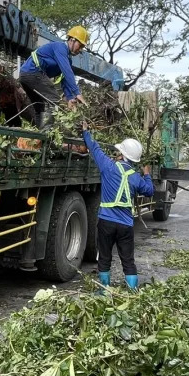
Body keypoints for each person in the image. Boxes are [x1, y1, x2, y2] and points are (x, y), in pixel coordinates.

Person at [82, 120, 154, 290]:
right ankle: (132, 292)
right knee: (128, 259)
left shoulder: (108, 166)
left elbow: (94, 148)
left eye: (118, 151)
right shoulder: (135, 177)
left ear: (121, 155)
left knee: (105, 257)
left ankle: (104, 291)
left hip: (106, 222)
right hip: (126, 225)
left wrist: (85, 131)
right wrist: (147, 174)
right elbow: (150, 191)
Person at [19, 26, 89, 130]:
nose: (80, 50)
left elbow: (65, 79)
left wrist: (70, 98)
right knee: (54, 100)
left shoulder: (67, 58)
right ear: (72, 40)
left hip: (27, 75)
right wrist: (77, 93)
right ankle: (47, 133)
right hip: (32, 73)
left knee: (40, 107)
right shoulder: (60, 47)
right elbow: (67, 71)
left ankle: (37, 133)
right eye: (80, 45)